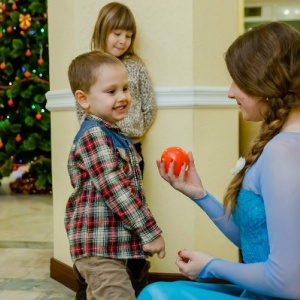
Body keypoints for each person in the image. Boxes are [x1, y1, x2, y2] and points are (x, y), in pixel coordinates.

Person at [138, 22, 300, 300]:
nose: (230, 92)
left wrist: (212, 266)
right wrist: (199, 194)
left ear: (264, 80)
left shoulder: (284, 151)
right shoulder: (283, 144)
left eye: (239, 80)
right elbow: (254, 239)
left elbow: (289, 283)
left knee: (156, 295)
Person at [65, 50, 165, 300]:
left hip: (110, 247)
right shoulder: (94, 136)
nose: (122, 97)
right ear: (83, 99)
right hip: (99, 250)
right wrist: (149, 231)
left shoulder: (115, 135)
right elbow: (115, 188)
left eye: (125, 88)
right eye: (111, 91)